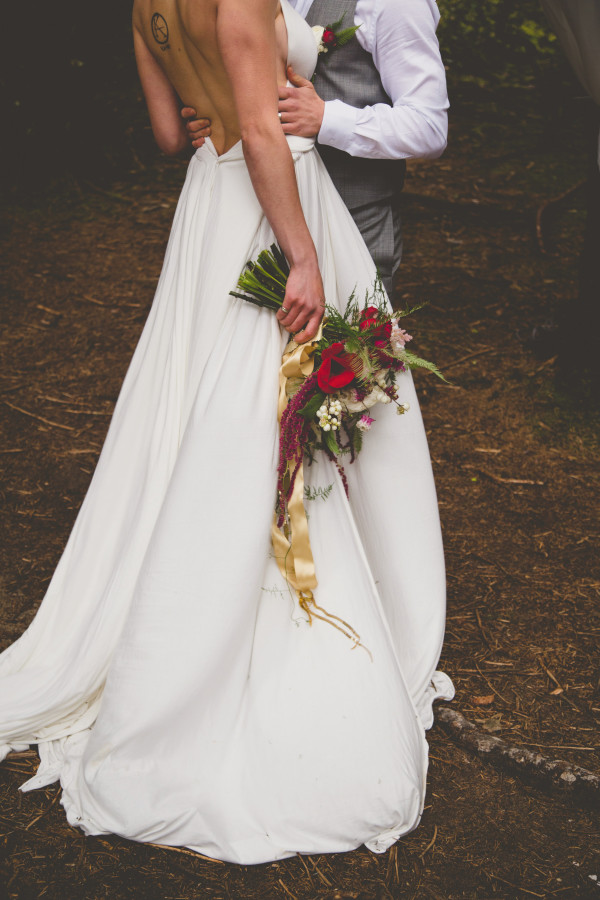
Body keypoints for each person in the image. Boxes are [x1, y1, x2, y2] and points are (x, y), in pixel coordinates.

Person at [0, 0, 453, 864]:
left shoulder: (145, 7)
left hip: (203, 205)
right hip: (267, 202)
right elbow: (260, 129)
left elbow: (173, 135)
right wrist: (304, 255)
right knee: (257, 411)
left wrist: (228, 109)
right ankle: (255, 610)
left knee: (187, 403)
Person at [183, 0, 449, 295]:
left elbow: (429, 128)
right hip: (256, 223)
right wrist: (218, 119)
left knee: (347, 342)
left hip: (352, 230)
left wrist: (326, 118)